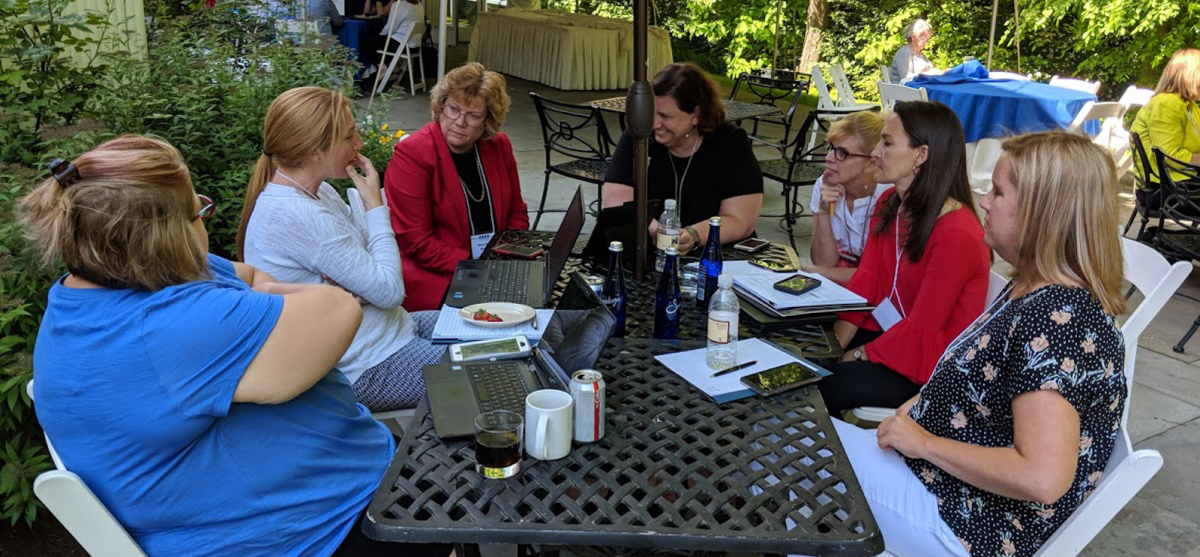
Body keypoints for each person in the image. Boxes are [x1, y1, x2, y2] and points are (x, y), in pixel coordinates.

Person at [20, 135, 449, 557]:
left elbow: (251, 276)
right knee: (469, 497)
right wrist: (289, 298)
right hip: (313, 531)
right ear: (161, 237)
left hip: (333, 494)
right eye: (197, 213)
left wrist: (263, 299)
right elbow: (338, 308)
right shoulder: (168, 325)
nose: (204, 220)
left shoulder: (96, 293)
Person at [828, 130, 1127, 557]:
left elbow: (1041, 478)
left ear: (1043, 214)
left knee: (801, 457)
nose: (983, 200)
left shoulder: (1061, 318)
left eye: (999, 192)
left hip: (973, 522)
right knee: (800, 441)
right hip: (945, 486)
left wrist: (925, 442)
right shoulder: (1033, 288)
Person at [238, 87, 445, 412]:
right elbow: (390, 290)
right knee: (503, 371)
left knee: (504, 330)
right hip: (368, 364)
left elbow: (375, 270)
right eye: (350, 136)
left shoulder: (320, 194)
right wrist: (375, 207)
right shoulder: (300, 215)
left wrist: (364, 281)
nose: (360, 143)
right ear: (314, 151)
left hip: (391, 332)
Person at [818, 101, 990, 417]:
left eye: (887, 143)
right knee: (802, 348)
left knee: (822, 383)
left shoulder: (957, 233)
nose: (875, 153)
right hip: (892, 335)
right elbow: (867, 282)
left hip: (929, 366)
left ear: (920, 155)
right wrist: (832, 345)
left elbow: (922, 330)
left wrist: (853, 356)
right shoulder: (891, 203)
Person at [384, 62, 528, 311]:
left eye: (472, 115)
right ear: (440, 107)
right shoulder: (414, 154)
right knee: (520, 316)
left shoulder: (499, 145)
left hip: (494, 268)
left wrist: (509, 254)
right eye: (453, 109)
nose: (460, 122)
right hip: (438, 278)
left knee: (547, 302)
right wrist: (480, 268)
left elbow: (517, 209)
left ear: (488, 120)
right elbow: (416, 242)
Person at [601, 62, 764, 255]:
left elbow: (741, 220)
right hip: (649, 250)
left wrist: (693, 236)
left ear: (696, 115)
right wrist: (656, 231)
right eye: (651, 112)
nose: (654, 124)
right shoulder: (639, 135)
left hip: (714, 254)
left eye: (665, 116)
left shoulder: (730, 142)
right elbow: (616, 198)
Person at [804, 110, 892, 285]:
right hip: (843, 287)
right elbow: (823, 262)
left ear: (871, 163)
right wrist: (822, 212)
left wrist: (820, 272)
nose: (828, 158)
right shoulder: (824, 183)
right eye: (831, 148)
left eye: (842, 153)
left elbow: (882, 277)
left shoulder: (889, 196)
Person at [1131, 48, 1200, 181]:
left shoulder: (1189, 105)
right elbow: (1168, 157)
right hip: (1170, 184)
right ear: (1191, 75)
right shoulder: (1165, 104)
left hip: (1184, 179)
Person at [889, 19, 941, 83]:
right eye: (923, 39)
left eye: (927, 40)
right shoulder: (904, 53)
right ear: (913, 37)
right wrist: (928, 74)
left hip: (921, 90)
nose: (926, 43)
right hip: (905, 92)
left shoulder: (920, 54)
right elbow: (906, 79)